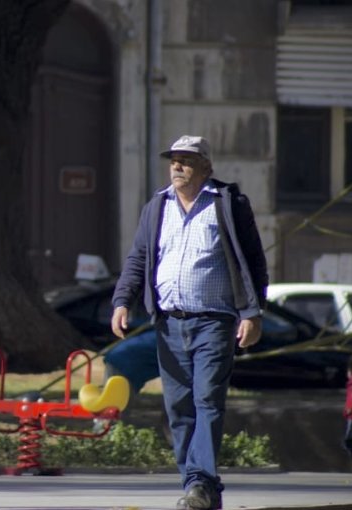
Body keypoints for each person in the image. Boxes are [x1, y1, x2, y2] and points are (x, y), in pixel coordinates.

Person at [110, 135, 268, 510]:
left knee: (207, 400)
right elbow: (138, 258)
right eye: (174, 160)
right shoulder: (156, 207)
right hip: (168, 322)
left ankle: (199, 483)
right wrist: (122, 301)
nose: (178, 166)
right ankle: (199, 486)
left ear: (206, 167)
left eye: (187, 160)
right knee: (178, 407)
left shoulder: (227, 204)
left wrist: (252, 312)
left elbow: (253, 261)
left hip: (215, 321)